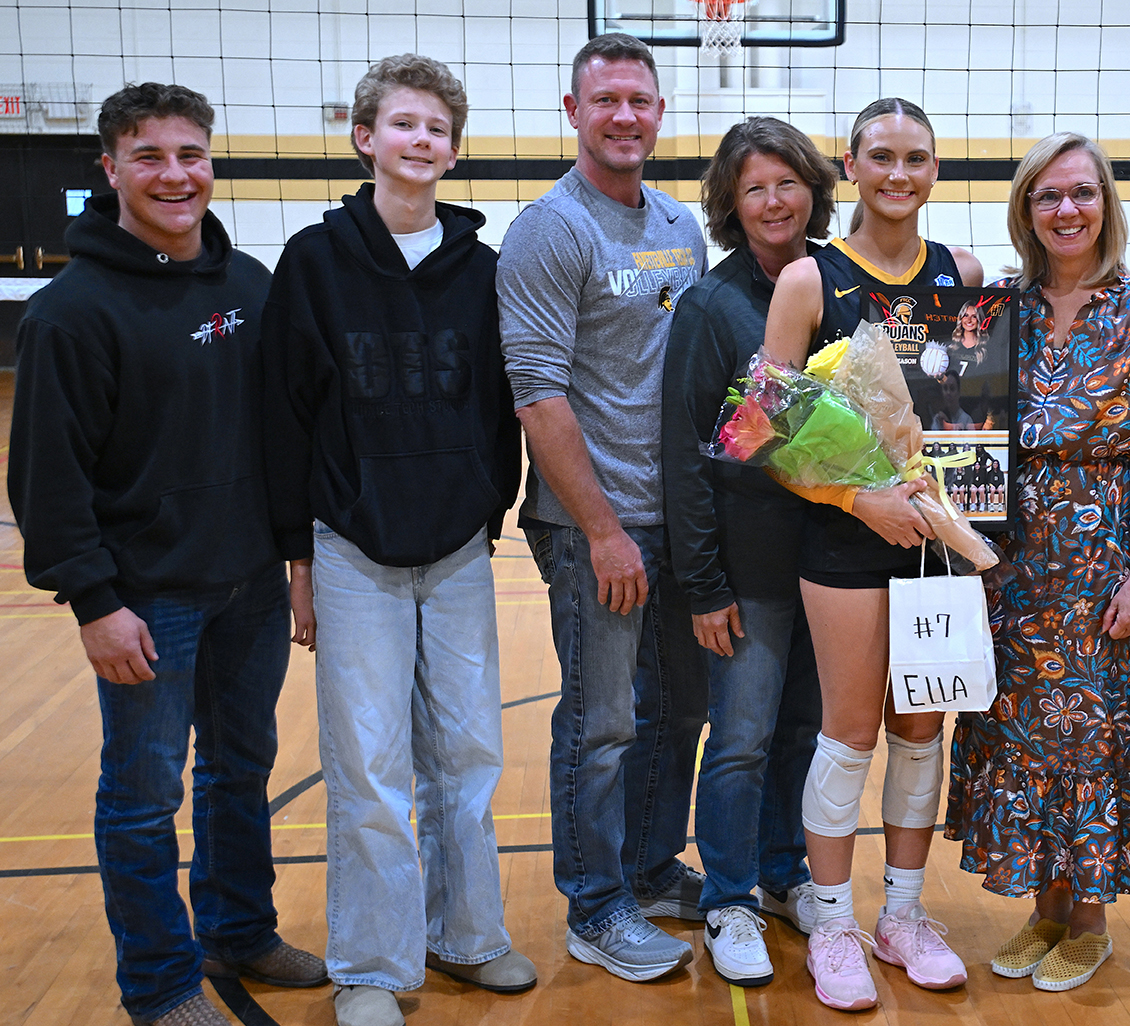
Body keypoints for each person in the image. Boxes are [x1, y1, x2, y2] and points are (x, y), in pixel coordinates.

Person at [7, 82, 326, 1026]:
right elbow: (47, 482)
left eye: (190, 155)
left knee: (242, 770)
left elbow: (281, 438)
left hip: (252, 590)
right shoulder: (69, 312)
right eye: (149, 157)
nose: (174, 175)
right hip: (148, 600)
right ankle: (159, 984)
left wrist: (294, 559)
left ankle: (238, 930)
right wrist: (95, 602)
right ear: (110, 171)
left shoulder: (249, 286)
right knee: (144, 795)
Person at [261, 55, 531, 1026]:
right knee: (368, 765)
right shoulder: (314, 261)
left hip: (456, 548)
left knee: (467, 755)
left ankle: (466, 936)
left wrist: (486, 509)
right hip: (350, 552)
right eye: (401, 124)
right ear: (365, 138)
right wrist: (299, 556)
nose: (420, 142)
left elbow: (504, 410)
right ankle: (373, 967)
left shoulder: (485, 272)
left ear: (452, 151)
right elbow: (285, 416)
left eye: (435, 128)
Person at [943, 132, 1130, 992]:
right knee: (1019, 736)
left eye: (1082, 194)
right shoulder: (991, 312)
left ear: (1107, 204)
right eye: (1048, 196)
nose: (1066, 210)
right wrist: (964, 555)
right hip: (1006, 560)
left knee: (1093, 740)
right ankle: (1044, 910)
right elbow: (962, 441)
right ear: (1026, 210)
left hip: (1105, 563)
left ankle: (1089, 922)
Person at [761, 96, 983, 1011]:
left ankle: (903, 914)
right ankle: (834, 925)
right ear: (848, 166)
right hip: (845, 544)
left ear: (935, 170)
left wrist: (952, 507)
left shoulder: (965, 274)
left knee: (923, 732)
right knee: (849, 735)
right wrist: (861, 497)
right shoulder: (809, 282)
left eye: (917, 158)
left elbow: (975, 417)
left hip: (935, 546)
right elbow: (762, 433)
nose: (899, 174)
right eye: (881, 156)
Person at [495, 33, 709, 984]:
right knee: (602, 719)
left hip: (679, 519)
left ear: (659, 113)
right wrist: (603, 529)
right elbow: (538, 393)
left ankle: (654, 870)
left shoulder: (679, 222)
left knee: (678, 709)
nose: (626, 115)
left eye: (641, 100)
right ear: (574, 112)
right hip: (595, 527)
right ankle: (596, 902)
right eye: (607, 100)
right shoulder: (550, 228)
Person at [661, 116, 835, 987]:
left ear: (813, 188)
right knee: (738, 741)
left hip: (834, 567)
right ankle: (729, 896)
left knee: (802, 733)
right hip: (750, 571)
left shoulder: (836, 285)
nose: (774, 200)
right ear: (732, 204)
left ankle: (783, 872)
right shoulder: (710, 305)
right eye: (755, 187)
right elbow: (687, 453)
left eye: (788, 182)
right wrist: (702, 584)